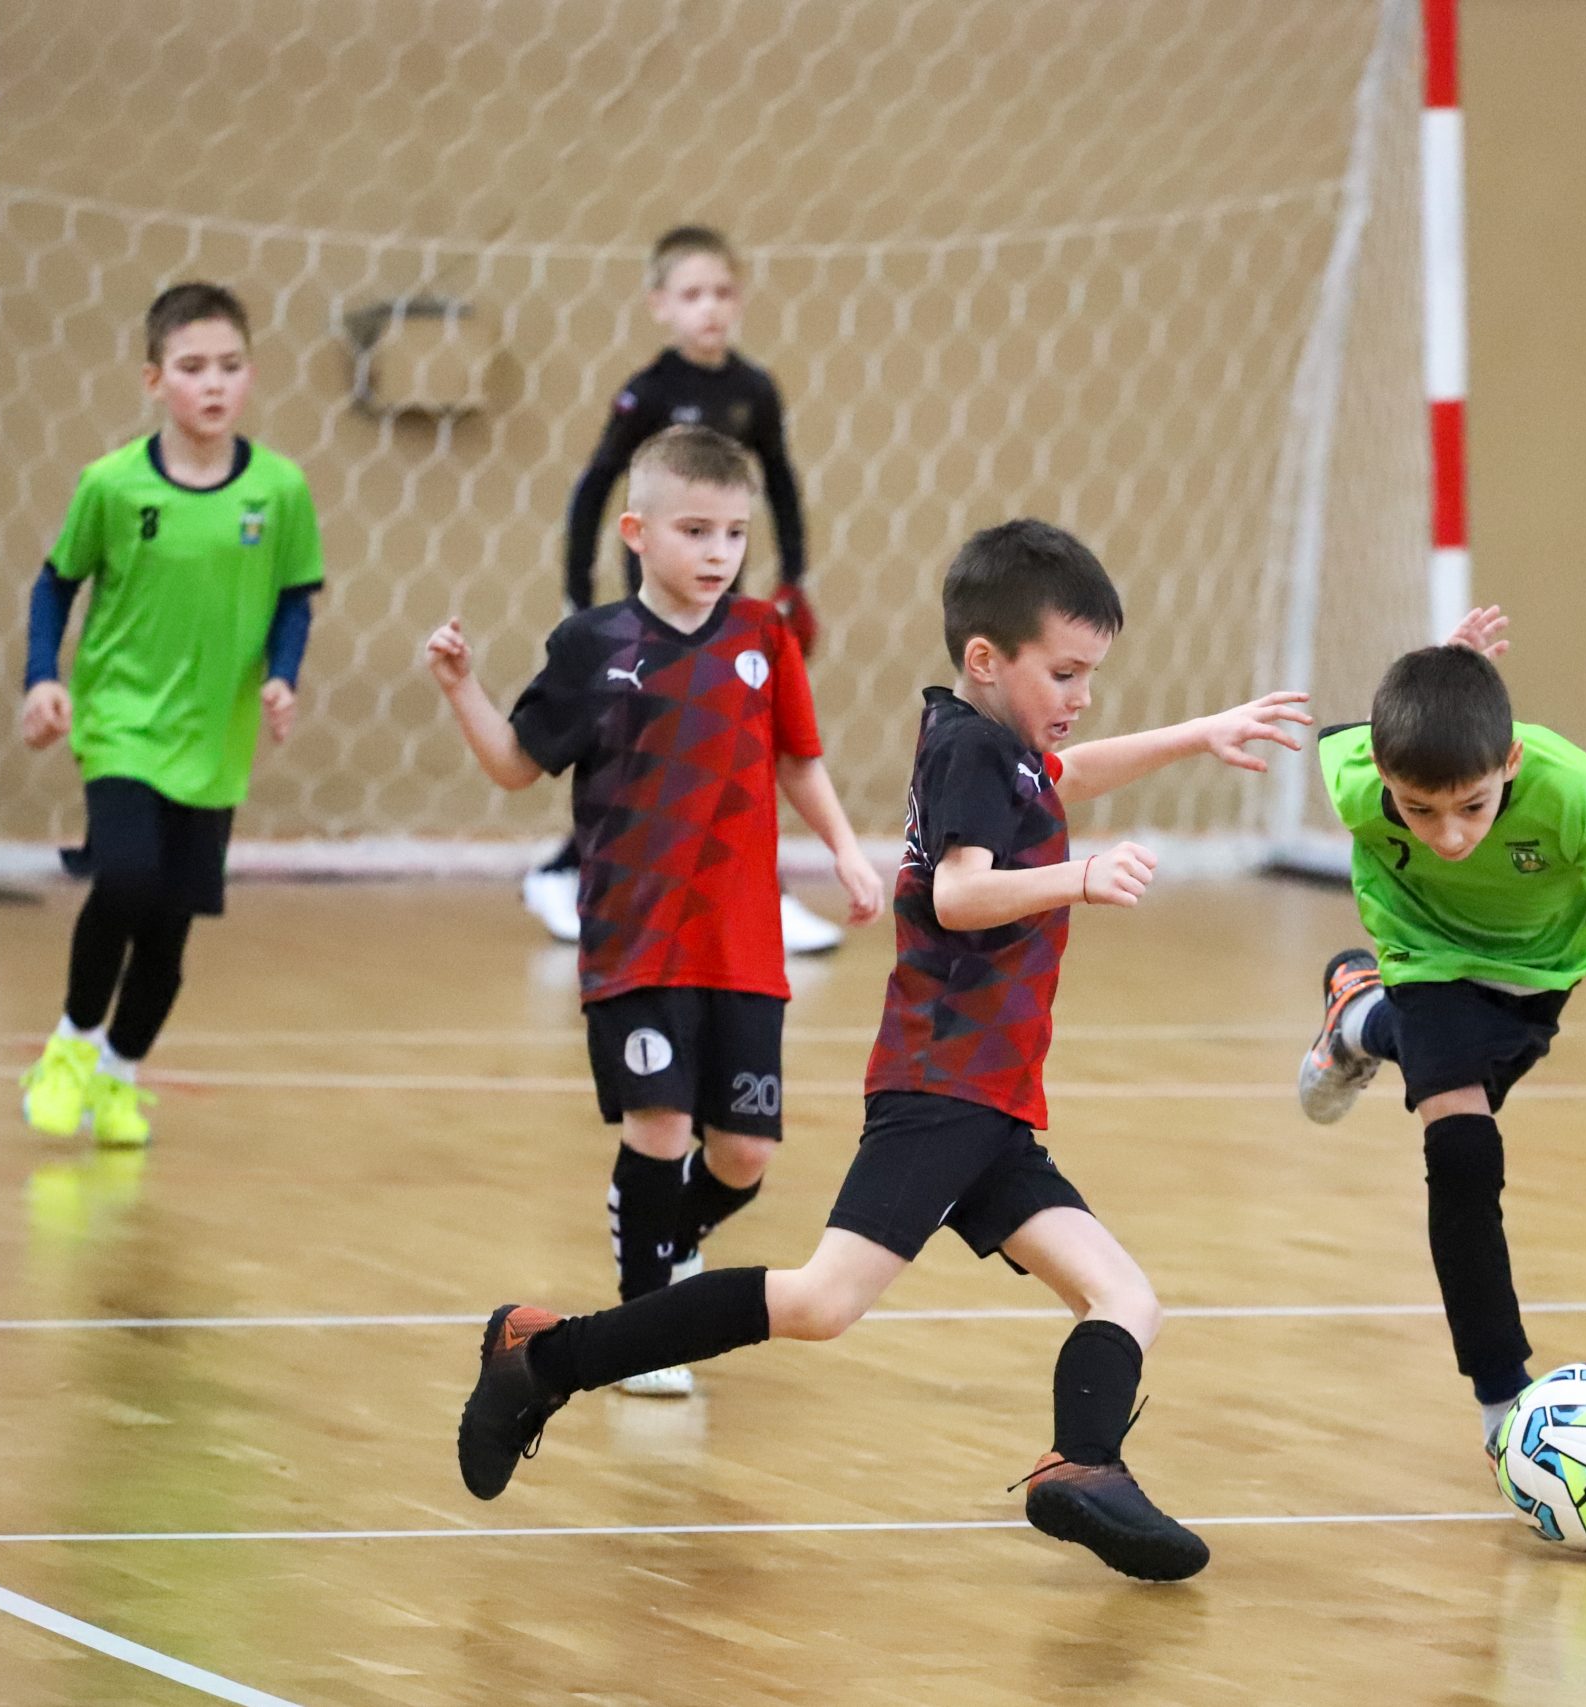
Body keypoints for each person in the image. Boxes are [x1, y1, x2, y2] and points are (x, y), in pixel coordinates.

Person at [453, 519, 1312, 1582]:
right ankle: (545, 1356)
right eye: (1065, 672)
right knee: (821, 1303)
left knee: (1126, 1298)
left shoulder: (993, 746)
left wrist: (1198, 734)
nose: (1083, 694)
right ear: (986, 658)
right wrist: (1079, 878)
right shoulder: (971, 750)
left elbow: (1067, 774)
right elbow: (958, 894)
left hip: (993, 1106)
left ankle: (1082, 1468)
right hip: (941, 1086)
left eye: (1091, 673)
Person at [426, 425, 884, 1396]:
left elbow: (797, 758)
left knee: (745, 1154)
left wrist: (847, 851)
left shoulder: (762, 637)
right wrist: (463, 689)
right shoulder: (593, 646)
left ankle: (666, 1233)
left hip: (743, 944)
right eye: (695, 531)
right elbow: (514, 766)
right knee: (662, 1128)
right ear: (636, 532)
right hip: (636, 941)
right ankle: (643, 1328)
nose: (719, 553)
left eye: (734, 534)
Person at [1295, 609, 1586, 1452]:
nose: (1449, 835)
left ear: (1510, 761)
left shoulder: (1578, 796)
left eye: (1473, 806)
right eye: (1418, 809)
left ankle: (1358, 1014)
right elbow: (1400, 721)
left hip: (1539, 972)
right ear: (1384, 774)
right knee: (1464, 1149)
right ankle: (1503, 1404)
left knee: (1463, 1077)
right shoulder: (1360, 779)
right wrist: (1444, 668)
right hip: (1422, 947)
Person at [16, 282, 322, 1149]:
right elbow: (54, 583)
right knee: (126, 877)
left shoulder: (280, 489)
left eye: (229, 365)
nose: (212, 383)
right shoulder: (111, 485)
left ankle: (119, 1075)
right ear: (154, 380)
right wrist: (42, 679)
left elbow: (295, 597)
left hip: (214, 736)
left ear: (250, 374)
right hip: (119, 719)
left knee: (168, 931)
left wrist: (282, 676)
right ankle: (71, 1045)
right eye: (191, 367)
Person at [525, 225, 839, 952]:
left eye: (722, 292)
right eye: (692, 294)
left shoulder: (753, 390)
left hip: (723, 601)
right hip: (655, 606)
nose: (710, 308)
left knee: (737, 739)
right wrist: (578, 594)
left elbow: (781, 482)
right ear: (660, 305)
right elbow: (594, 488)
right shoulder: (648, 393)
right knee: (648, 744)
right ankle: (566, 869)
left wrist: (793, 577)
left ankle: (754, 893)